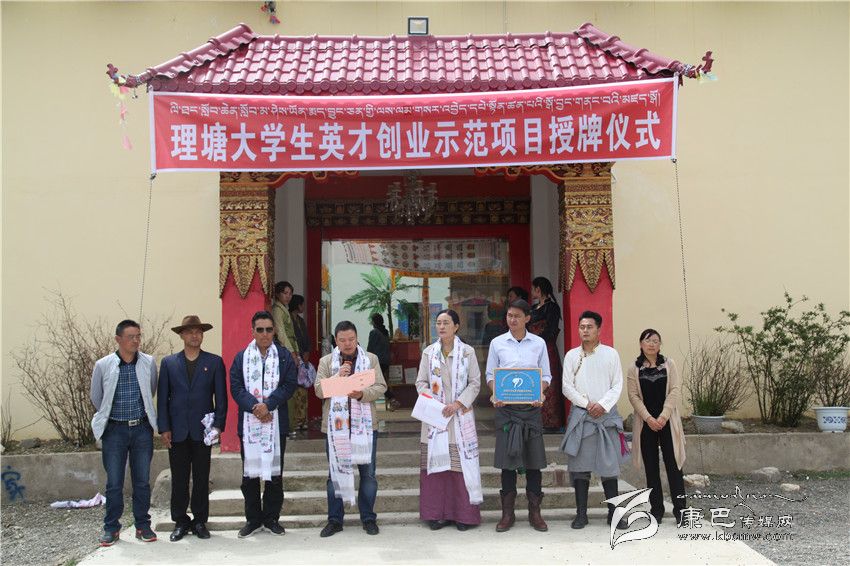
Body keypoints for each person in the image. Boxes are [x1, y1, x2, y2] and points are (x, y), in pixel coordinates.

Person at [157, 315, 228, 541]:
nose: (194, 336)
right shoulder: (169, 363)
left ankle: (199, 521)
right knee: (179, 479)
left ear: (202, 335)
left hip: (203, 431)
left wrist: (218, 425)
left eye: (198, 331)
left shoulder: (214, 362)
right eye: (189, 332)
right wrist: (164, 427)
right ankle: (180, 521)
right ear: (182, 335)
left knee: (201, 477)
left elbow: (221, 398)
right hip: (177, 430)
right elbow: (163, 399)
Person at [314, 321, 388, 537]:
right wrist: (338, 377)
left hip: (365, 426)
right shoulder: (327, 361)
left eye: (351, 339)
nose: (347, 344)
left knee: (368, 475)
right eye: (342, 340)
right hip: (336, 427)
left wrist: (362, 394)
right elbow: (318, 390)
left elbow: (381, 386)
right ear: (336, 341)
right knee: (334, 475)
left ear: (357, 338)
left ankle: (368, 518)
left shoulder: (370, 359)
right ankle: (335, 520)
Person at [229, 311, 298, 538]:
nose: (265, 334)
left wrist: (268, 405)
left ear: (274, 331)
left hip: (276, 424)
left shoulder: (284, 357)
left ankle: (271, 519)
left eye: (269, 329)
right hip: (249, 425)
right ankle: (253, 520)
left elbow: (289, 385)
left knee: (274, 474)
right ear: (253, 331)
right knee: (250, 475)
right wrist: (255, 407)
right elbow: (236, 387)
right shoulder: (241, 358)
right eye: (260, 329)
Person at [90, 319, 159, 546]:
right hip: (114, 430)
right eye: (131, 337)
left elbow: (150, 390)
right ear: (118, 339)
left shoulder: (148, 362)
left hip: (141, 429)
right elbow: (97, 397)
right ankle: (111, 528)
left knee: (142, 481)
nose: (136, 340)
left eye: (138, 336)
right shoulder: (103, 365)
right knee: (114, 482)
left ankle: (143, 525)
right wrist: (109, 418)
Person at [485, 300, 551, 533]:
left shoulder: (539, 343)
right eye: (509, 315)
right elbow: (490, 375)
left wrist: (540, 392)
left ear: (527, 318)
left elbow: (546, 376)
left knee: (534, 463)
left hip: (531, 411)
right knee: (507, 464)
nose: (512, 320)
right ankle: (507, 514)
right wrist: (496, 393)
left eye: (517, 316)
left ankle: (535, 513)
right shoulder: (497, 343)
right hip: (507, 411)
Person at [415, 309, 483, 531]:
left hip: (459, 416)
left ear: (456, 326)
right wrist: (434, 403)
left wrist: (457, 404)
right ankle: (436, 514)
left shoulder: (468, 353)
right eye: (438, 323)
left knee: (459, 467)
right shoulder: (429, 353)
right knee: (436, 468)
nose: (441, 327)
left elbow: (475, 383)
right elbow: (421, 383)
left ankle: (463, 515)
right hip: (435, 417)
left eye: (446, 323)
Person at [560, 311, 629, 530]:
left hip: (606, 417)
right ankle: (581, 514)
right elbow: (566, 387)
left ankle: (613, 514)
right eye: (582, 327)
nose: (585, 331)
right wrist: (587, 404)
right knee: (580, 468)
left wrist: (602, 405)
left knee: (609, 468)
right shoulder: (572, 356)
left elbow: (617, 385)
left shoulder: (611, 354)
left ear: (599, 329)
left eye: (589, 327)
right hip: (582, 417)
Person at [626, 329, 687, 524]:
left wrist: (663, 416)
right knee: (651, 469)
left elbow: (675, 390)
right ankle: (657, 510)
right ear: (641, 344)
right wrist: (648, 418)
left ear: (660, 345)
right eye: (647, 340)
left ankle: (681, 511)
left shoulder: (669, 364)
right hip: (646, 424)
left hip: (667, 421)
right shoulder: (634, 368)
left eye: (655, 341)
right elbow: (633, 396)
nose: (651, 344)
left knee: (674, 466)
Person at [529, 276, 565, 430]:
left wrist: (536, 342)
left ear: (538, 289)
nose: (532, 291)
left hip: (547, 349)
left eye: (533, 288)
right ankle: (535, 419)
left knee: (549, 382)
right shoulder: (533, 308)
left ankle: (551, 422)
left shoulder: (552, 308)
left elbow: (551, 330)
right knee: (533, 380)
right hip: (531, 350)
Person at [272, 281, 301, 438]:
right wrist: (292, 353)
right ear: (278, 294)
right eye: (285, 293)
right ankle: (287, 426)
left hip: (290, 349)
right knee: (288, 387)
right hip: (285, 351)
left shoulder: (284, 309)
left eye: (290, 293)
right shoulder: (277, 310)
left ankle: (289, 424)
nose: (288, 296)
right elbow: (281, 333)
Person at [366, 313, 398, 411]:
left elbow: (370, 348)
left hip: (377, 361)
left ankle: (391, 398)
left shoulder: (374, 332)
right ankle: (391, 400)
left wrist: (366, 360)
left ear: (374, 322)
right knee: (380, 381)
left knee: (377, 381)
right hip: (386, 361)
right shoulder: (385, 332)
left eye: (372, 321)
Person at [289, 294, 310, 431]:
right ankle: (295, 420)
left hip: (303, 357)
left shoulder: (300, 320)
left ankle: (302, 419)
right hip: (293, 356)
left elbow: (306, 338)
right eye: (302, 304)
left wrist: (307, 351)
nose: (303, 307)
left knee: (303, 387)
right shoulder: (289, 318)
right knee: (294, 389)